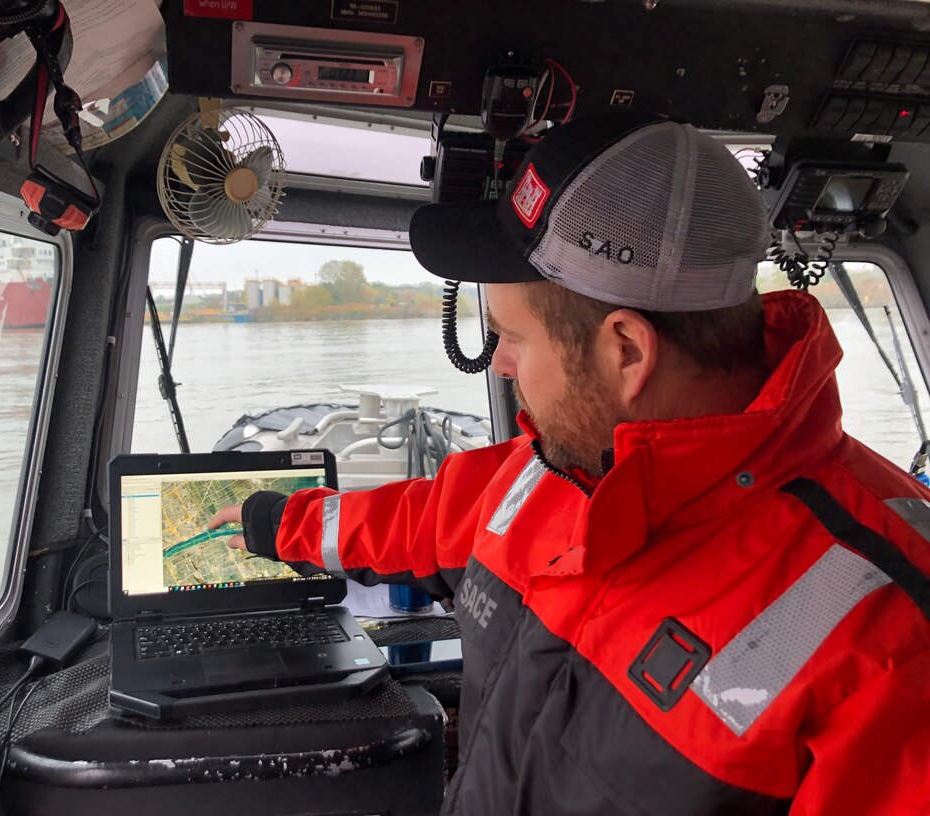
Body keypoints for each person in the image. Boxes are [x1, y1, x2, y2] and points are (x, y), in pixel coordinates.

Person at [209, 112, 930, 815]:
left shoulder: (892, 645)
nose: (501, 368)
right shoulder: (566, 466)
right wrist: (273, 521)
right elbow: (421, 521)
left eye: (512, 339)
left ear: (627, 352)